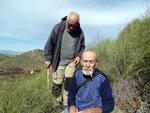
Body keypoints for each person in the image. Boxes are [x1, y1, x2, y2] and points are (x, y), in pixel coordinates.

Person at [44, 11, 85, 107]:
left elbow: (82, 46)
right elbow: (49, 44)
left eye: (74, 26)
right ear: (67, 20)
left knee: (69, 83)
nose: (71, 27)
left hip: (71, 62)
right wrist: (48, 58)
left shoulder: (80, 32)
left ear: (77, 23)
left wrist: (79, 55)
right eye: (70, 25)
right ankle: (56, 102)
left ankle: (67, 102)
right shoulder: (58, 28)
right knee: (57, 84)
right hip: (58, 62)